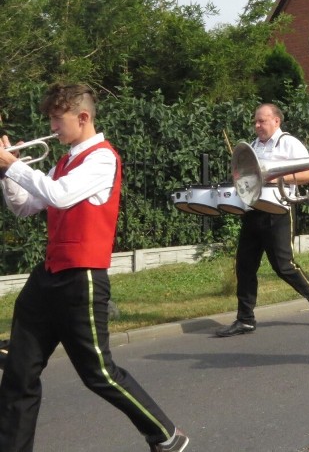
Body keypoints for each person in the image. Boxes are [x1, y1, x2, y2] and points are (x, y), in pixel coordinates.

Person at [0, 84, 188, 452]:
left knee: (98, 373)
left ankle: (166, 435)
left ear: (82, 117)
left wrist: (15, 164)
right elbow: (25, 207)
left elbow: (59, 195)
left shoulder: (102, 159)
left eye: (58, 119)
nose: (52, 127)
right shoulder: (64, 160)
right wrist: (6, 174)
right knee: (19, 373)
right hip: (49, 276)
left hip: (82, 278)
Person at [216, 103, 309, 337]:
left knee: (283, 266)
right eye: (255, 122)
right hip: (252, 210)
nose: (257, 126)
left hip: (278, 210)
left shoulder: (289, 143)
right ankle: (245, 319)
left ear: (276, 121)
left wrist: (273, 176)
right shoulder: (253, 146)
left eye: (262, 121)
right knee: (245, 266)